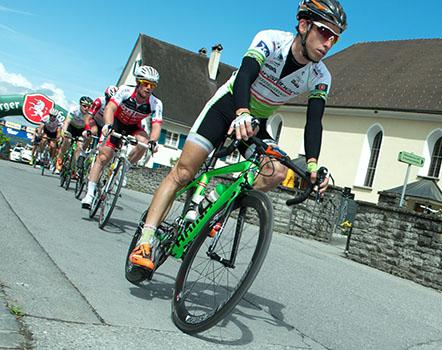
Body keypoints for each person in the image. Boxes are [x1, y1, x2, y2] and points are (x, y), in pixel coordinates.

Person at [128, 0, 347, 273]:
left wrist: (313, 165)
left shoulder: (320, 75)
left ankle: (219, 199)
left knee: (276, 172)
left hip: (257, 121)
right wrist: (241, 111)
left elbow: (314, 120)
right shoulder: (270, 40)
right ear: (304, 25)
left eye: (335, 38)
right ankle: (145, 239)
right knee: (183, 173)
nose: (329, 43)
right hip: (228, 106)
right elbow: (244, 75)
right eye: (325, 32)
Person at [80, 65, 163, 208]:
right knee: (104, 157)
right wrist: (108, 124)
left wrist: (153, 141)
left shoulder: (156, 103)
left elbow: (156, 125)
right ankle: (90, 193)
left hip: (134, 127)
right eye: (146, 84)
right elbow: (110, 108)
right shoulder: (125, 90)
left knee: (143, 142)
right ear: (138, 82)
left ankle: (124, 168)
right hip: (117, 123)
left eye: (152, 85)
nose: (149, 88)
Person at [56, 96, 93, 172]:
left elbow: (89, 126)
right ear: (80, 105)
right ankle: (59, 161)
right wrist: (64, 132)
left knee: (79, 147)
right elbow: (67, 122)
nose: (86, 108)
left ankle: (73, 167)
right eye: (84, 106)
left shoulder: (89, 114)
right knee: (67, 142)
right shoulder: (74, 110)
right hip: (71, 128)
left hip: (81, 130)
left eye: (89, 107)